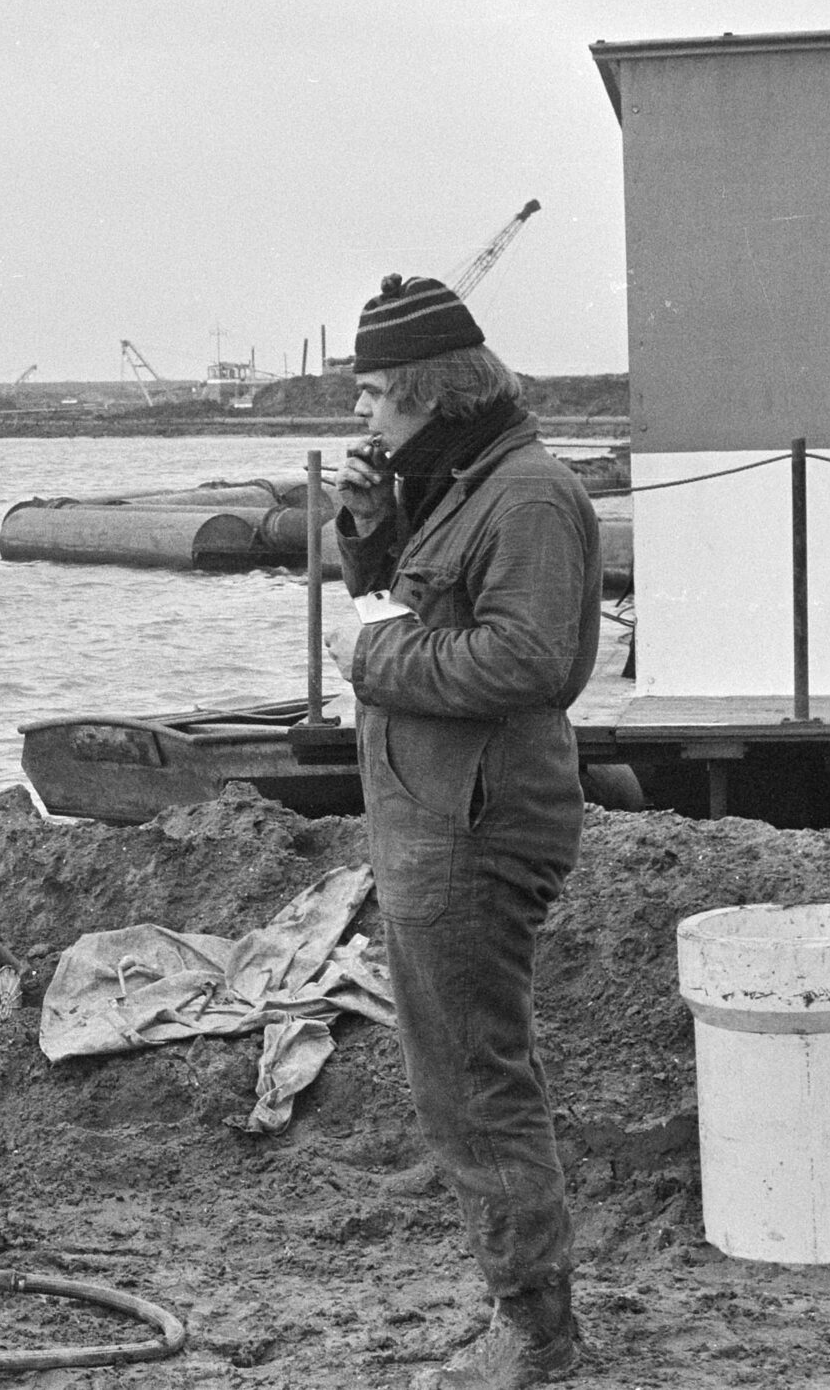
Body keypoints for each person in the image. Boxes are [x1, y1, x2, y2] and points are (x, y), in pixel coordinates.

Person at [324, 275, 601, 1389]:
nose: (365, 416)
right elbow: (411, 605)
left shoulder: (526, 496)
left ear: (437, 392)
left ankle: (535, 1336)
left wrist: (367, 657)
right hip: (436, 815)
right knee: (463, 1075)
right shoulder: (464, 482)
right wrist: (367, 532)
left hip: (474, 827)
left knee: (474, 1083)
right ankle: (523, 1313)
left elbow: (528, 662)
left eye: (379, 395)